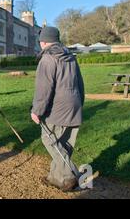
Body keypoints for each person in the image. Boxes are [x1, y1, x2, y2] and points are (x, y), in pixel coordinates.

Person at [30, 26, 85, 192]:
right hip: (74, 104)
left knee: (50, 140)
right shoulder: (70, 56)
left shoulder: (48, 59)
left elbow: (43, 89)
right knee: (64, 144)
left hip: (58, 107)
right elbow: (80, 83)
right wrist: (80, 102)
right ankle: (55, 177)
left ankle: (69, 177)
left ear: (43, 41)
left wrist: (36, 110)